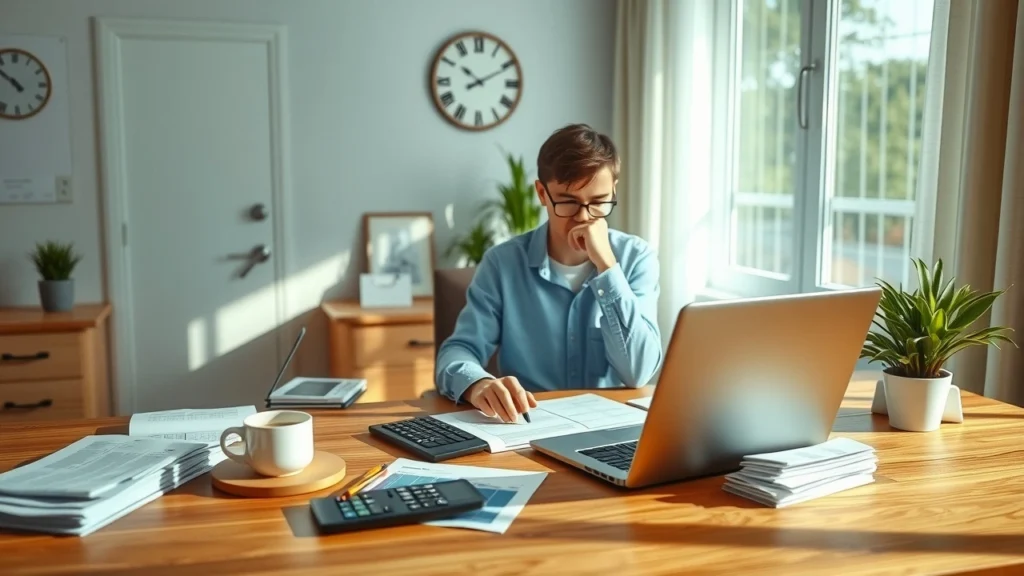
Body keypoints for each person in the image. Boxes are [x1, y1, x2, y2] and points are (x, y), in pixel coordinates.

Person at [434, 123, 663, 423]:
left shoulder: (636, 259)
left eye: (598, 202)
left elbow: (639, 372)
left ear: (613, 191)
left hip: (609, 429)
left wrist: (608, 266)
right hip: (528, 427)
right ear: (542, 193)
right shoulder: (501, 264)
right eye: (568, 202)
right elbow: (457, 352)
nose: (583, 217)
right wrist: (479, 385)